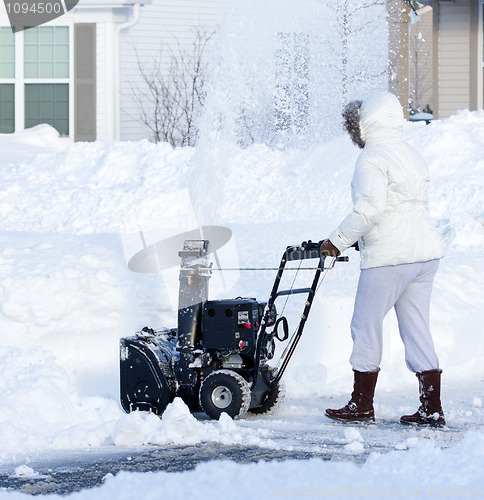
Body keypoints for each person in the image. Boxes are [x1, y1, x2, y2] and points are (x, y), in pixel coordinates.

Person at [320, 92, 445, 426]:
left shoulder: (372, 157)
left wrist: (337, 242)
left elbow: (370, 210)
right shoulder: (411, 154)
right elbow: (402, 207)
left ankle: (361, 403)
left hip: (391, 257)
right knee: (417, 329)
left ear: (365, 123)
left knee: (365, 324)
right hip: (425, 254)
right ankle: (431, 408)